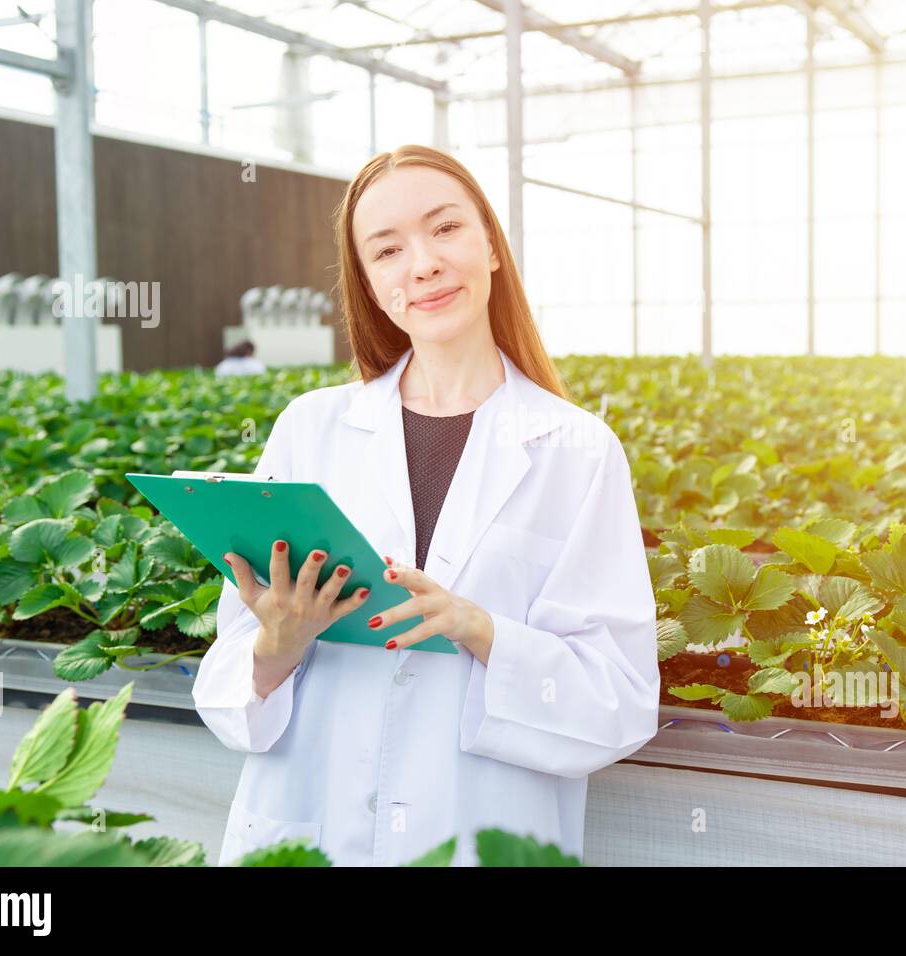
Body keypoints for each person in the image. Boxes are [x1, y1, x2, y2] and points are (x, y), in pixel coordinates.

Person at [192, 144, 660, 867]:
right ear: (371, 284)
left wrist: (481, 631)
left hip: (480, 833)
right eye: (387, 250)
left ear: (492, 247)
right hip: (309, 830)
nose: (423, 264)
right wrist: (274, 647)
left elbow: (619, 702)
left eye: (446, 229)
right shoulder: (309, 430)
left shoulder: (576, 450)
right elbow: (227, 677)